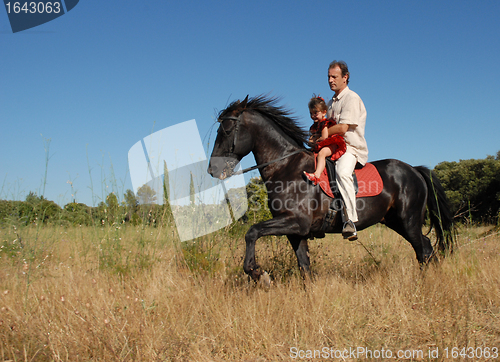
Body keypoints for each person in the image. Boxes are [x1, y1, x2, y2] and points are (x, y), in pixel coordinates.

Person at [325, 61, 368, 241]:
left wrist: (323, 133)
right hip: (334, 148)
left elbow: (342, 128)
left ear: (345, 77)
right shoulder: (330, 103)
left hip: (351, 148)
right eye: (328, 77)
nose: (330, 80)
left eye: (334, 77)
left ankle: (350, 221)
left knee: (342, 173)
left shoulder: (351, 98)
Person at [303, 96, 346, 185]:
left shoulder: (324, 123)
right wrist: (311, 141)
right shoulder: (314, 126)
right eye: (311, 113)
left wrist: (315, 140)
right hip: (322, 144)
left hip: (331, 144)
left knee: (322, 154)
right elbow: (312, 137)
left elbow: (324, 136)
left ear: (324, 112)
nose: (313, 115)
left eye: (315, 113)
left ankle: (317, 175)